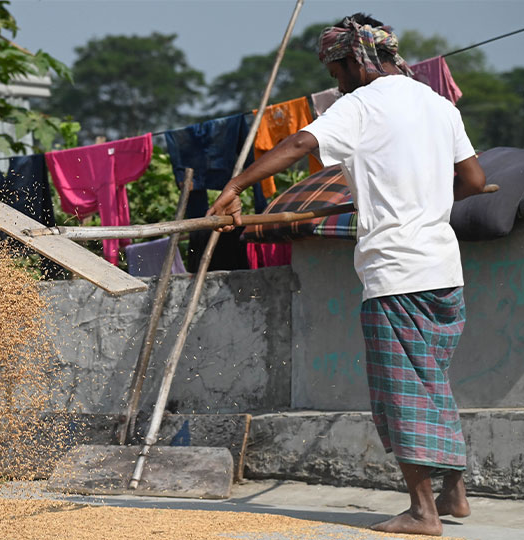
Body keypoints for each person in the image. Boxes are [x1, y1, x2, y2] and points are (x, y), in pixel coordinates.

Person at [208, 13, 486, 537]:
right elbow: (473, 180)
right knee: (432, 384)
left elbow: (298, 146)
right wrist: (425, 200)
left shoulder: (360, 103)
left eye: (335, 70)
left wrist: (235, 186)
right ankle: (454, 496)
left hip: (395, 273)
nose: (334, 82)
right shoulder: (438, 105)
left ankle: (423, 513)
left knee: (400, 392)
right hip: (445, 272)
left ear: (354, 61)